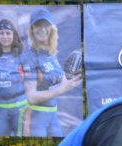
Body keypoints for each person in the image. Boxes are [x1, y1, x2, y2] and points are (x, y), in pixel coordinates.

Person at [20, 8, 81, 137]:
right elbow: (31, 97)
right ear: (32, 29)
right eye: (38, 25)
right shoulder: (29, 58)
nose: (42, 29)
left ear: (51, 28)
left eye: (46, 25)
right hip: (36, 118)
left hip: (53, 116)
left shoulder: (51, 53)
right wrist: (61, 89)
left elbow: (59, 81)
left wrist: (70, 80)